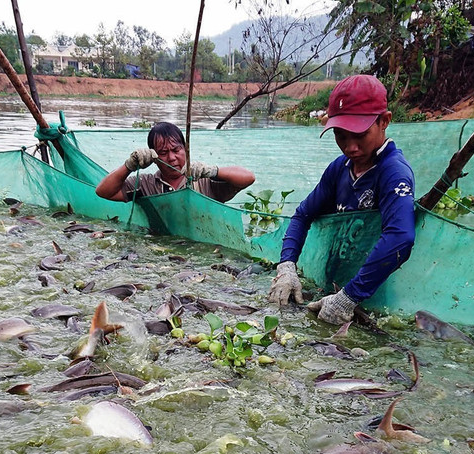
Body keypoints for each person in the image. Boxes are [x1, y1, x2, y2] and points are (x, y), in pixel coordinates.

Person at [267, 74, 416, 325]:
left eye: (360, 135)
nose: (350, 147)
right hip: (336, 285)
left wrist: (348, 298)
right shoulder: (339, 169)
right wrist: (287, 267)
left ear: (384, 121)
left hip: (375, 293)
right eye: (341, 135)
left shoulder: (393, 172)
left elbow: (400, 237)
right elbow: (303, 215)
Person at [95, 122, 255, 203]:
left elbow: (248, 178)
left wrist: (213, 171)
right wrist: (129, 166)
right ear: (154, 157)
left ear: (186, 149)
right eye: (163, 153)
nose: (171, 158)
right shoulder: (144, 184)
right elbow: (103, 191)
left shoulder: (205, 182)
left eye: (176, 150)